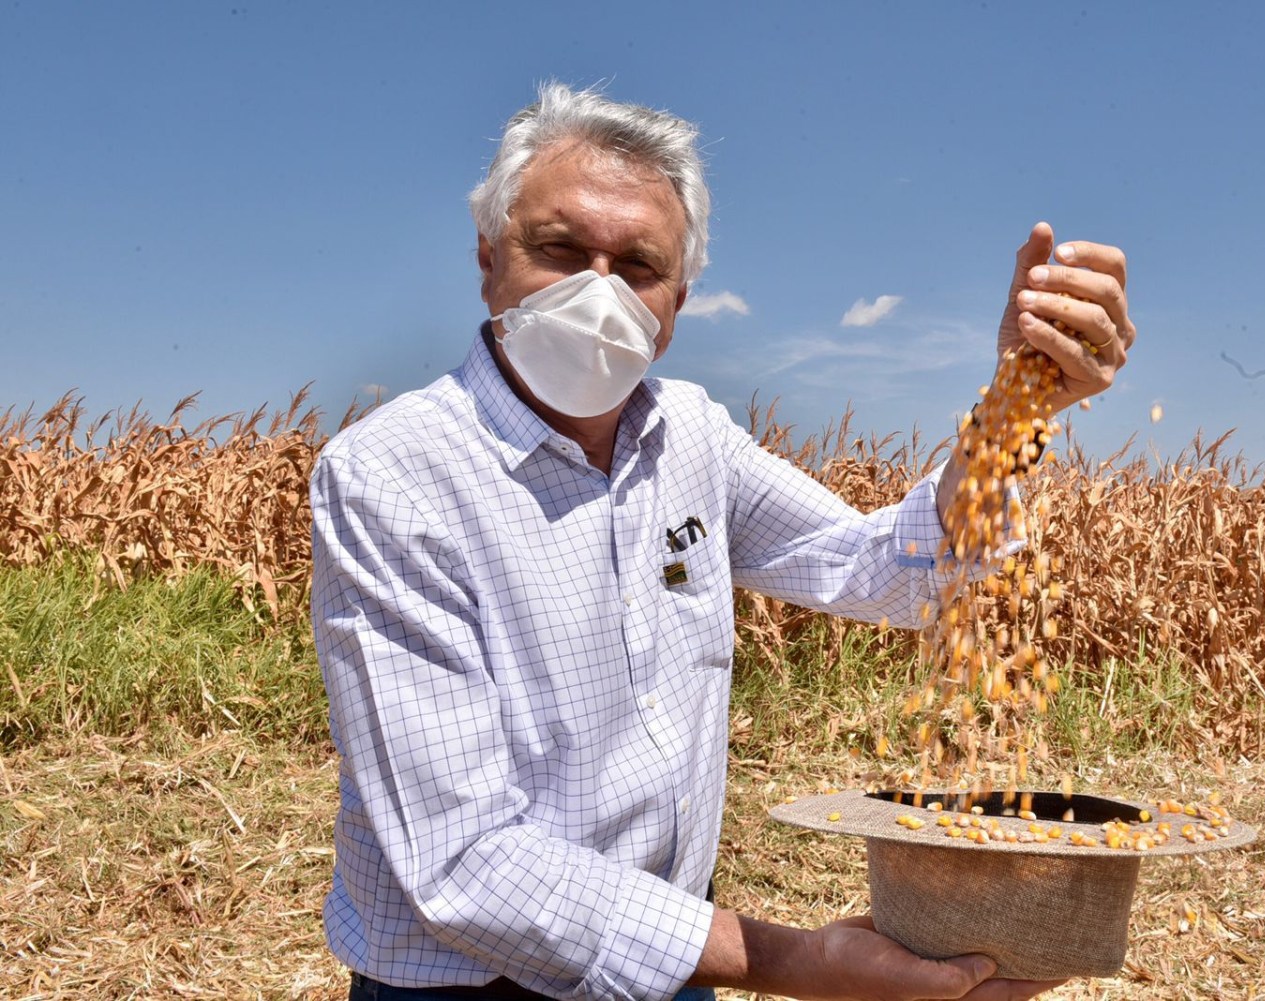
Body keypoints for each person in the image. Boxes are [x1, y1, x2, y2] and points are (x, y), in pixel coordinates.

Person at [311, 83, 1134, 1001]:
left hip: (672, 959)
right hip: (468, 984)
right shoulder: (393, 476)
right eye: (559, 251)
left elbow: (884, 571)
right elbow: (465, 861)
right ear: (488, 257)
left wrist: (1015, 405)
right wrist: (796, 964)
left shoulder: (690, 436)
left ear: (678, 300)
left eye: (638, 266)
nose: (598, 291)